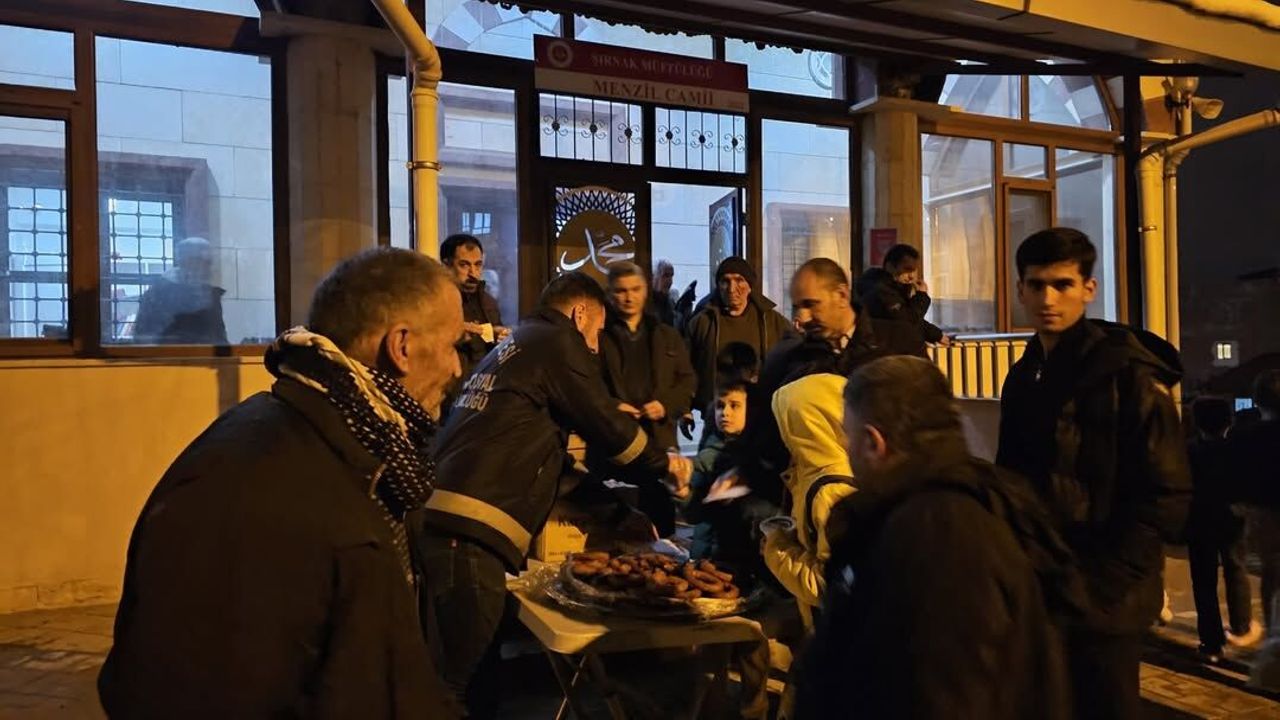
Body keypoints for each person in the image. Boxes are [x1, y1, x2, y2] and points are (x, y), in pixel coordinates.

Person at [100, 248, 462, 719]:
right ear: (402, 347)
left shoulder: (361, 446)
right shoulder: (254, 488)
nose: (458, 369)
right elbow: (190, 691)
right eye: (453, 346)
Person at [415, 271, 693, 717]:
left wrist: (619, 515)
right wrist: (665, 465)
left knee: (480, 676)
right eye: (596, 333)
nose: (595, 348)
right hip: (468, 534)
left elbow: (552, 463)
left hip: (450, 524)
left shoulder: (519, 345)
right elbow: (606, 424)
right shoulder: (556, 340)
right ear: (580, 313)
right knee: (461, 682)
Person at [794, 356, 1073, 719]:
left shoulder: (938, 535)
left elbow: (945, 693)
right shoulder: (921, 510)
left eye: (848, 435)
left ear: (874, 442)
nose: (845, 450)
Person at [996, 227, 1191, 720]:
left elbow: (1166, 492)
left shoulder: (1129, 376)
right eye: (1036, 285)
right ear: (1020, 289)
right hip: (1043, 587)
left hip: (1105, 598)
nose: (1048, 299)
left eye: (1062, 284)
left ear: (1088, 289)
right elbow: (1013, 476)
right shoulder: (1024, 374)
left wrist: (1103, 584)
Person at [597, 261, 696, 535]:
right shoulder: (599, 338)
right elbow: (587, 387)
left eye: (635, 289)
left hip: (658, 442)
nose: (628, 297)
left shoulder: (666, 335)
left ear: (645, 290)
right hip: (615, 444)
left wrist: (665, 405)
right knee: (614, 531)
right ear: (610, 294)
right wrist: (613, 406)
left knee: (661, 531)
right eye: (621, 290)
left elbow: (687, 381)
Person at [763, 372, 856, 633]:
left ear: (804, 425)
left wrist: (777, 549)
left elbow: (830, 585)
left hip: (837, 636)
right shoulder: (817, 474)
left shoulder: (831, 489)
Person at [1187, 397, 1259, 661]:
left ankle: (1211, 641)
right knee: (1236, 568)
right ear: (1228, 422)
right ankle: (1241, 626)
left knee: (1203, 580)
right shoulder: (1236, 450)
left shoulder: (1190, 451)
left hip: (1198, 520)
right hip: (1230, 518)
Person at [686, 256, 792, 413]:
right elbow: (685, 368)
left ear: (749, 286)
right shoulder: (703, 322)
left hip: (760, 410)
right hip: (717, 412)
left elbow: (793, 358)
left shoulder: (771, 321)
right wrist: (685, 408)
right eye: (725, 281)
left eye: (739, 280)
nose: (731, 288)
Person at [1231, 370, 1280, 631]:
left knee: (1271, 573)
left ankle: (1274, 632)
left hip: (1263, 514)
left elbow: (1237, 477)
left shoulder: (1246, 436)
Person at [441, 234, 508, 400]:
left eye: (478, 265)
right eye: (464, 265)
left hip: (482, 394)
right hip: (446, 394)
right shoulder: (436, 302)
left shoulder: (488, 301)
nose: (473, 273)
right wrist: (455, 335)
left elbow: (494, 347)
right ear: (446, 266)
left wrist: (500, 337)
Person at [132, 236, 229, 344]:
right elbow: (145, 337)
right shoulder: (158, 295)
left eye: (209, 263)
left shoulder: (210, 296)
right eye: (204, 262)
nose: (209, 269)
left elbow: (218, 337)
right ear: (186, 262)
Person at [856, 243, 946, 357]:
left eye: (914, 270)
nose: (911, 276)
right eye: (907, 270)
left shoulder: (894, 288)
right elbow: (906, 321)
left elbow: (907, 316)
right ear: (890, 267)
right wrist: (921, 296)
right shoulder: (880, 290)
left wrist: (935, 334)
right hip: (884, 353)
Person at [649, 259, 678, 326]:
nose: (670, 281)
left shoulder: (670, 303)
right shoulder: (646, 303)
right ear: (653, 277)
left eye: (671, 276)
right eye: (665, 276)